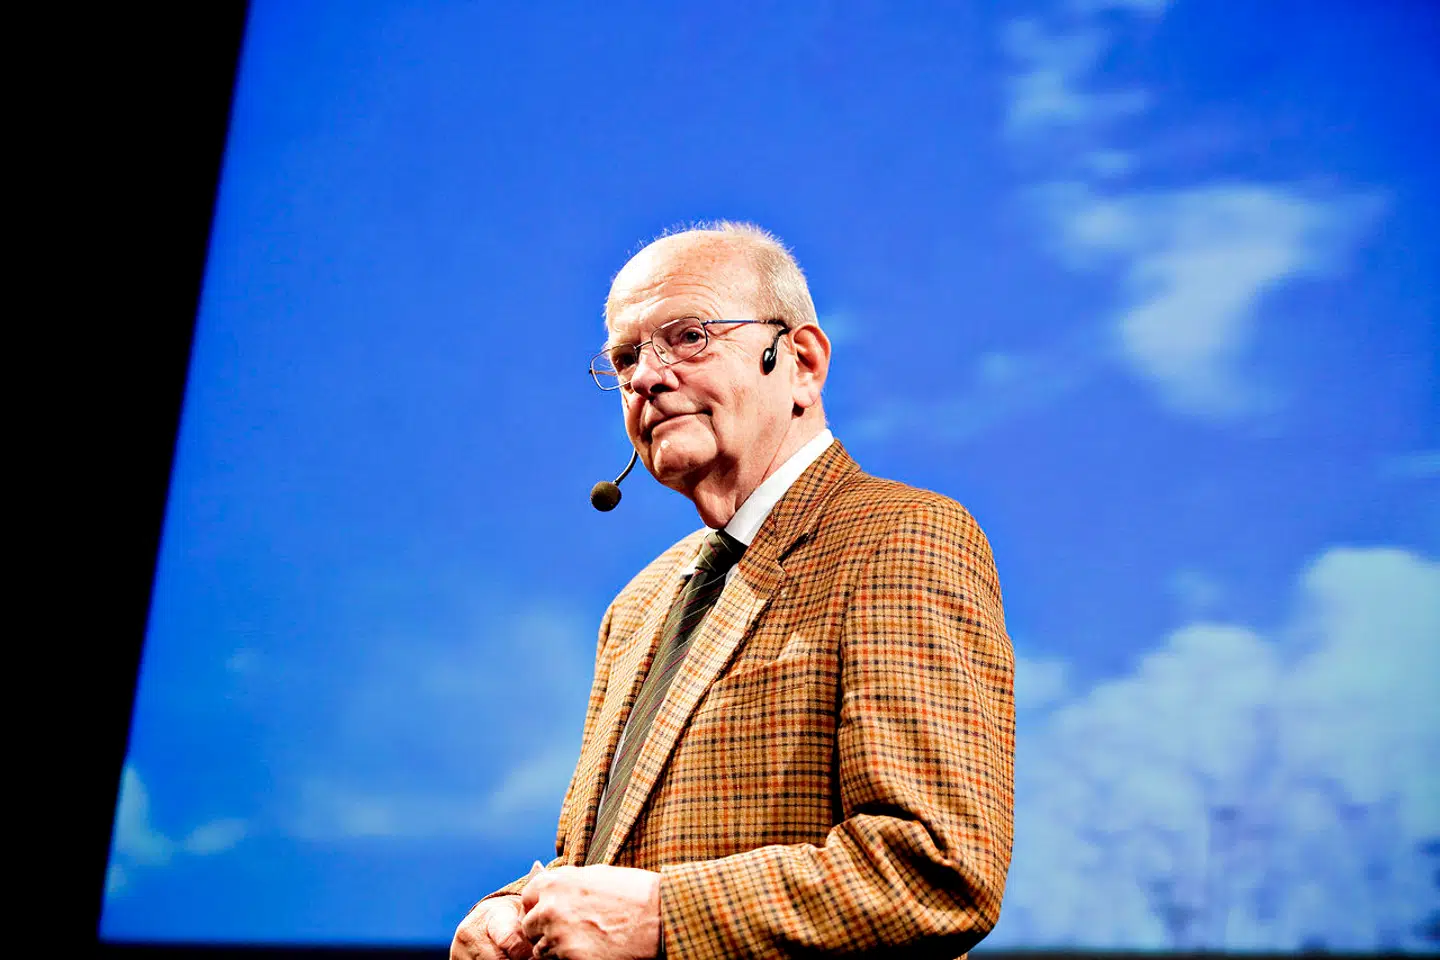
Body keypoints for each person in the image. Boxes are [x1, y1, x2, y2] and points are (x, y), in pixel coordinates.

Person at [451, 222, 1014, 960]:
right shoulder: (639, 603)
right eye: (625, 357)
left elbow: (936, 867)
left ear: (802, 363)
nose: (646, 377)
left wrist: (665, 918)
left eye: (687, 337)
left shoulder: (900, 535)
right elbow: (617, 864)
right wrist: (514, 915)